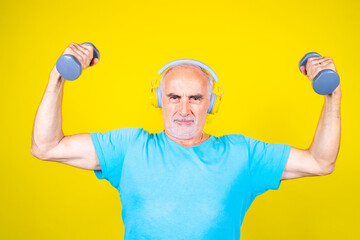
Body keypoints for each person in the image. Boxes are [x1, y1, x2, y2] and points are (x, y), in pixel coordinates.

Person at [31, 42, 341, 240]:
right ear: (159, 100)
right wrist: (57, 78)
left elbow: (320, 161)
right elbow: (45, 147)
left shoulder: (242, 154)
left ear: (210, 103)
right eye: (174, 97)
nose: (183, 109)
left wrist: (332, 96)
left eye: (195, 98)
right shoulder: (129, 149)